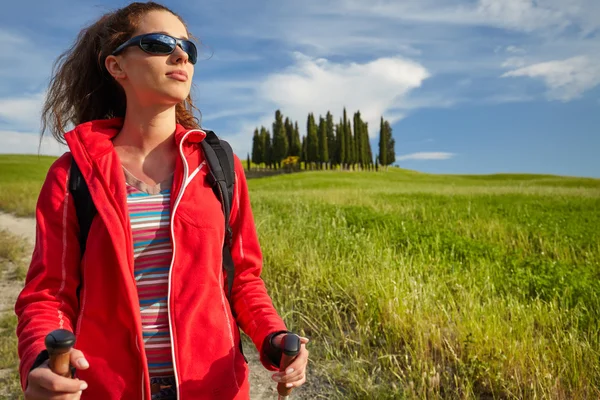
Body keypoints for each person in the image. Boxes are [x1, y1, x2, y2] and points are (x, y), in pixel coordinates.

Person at [14, 2, 309, 399]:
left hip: (213, 387)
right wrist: (40, 361)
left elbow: (242, 280)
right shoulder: (73, 175)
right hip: (105, 389)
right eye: (158, 43)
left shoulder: (220, 165)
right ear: (117, 66)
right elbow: (49, 294)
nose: (181, 55)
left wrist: (274, 337)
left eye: (188, 47)